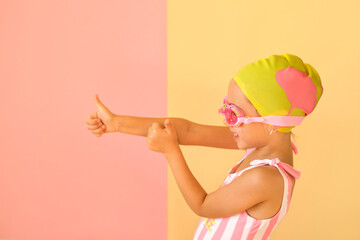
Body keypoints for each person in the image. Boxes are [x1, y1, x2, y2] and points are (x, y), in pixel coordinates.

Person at [85, 53, 323, 239]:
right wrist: (117, 123)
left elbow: (203, 205)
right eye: (225, 109)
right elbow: (188, 131)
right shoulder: (259, 144)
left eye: (234, 114)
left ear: (271, 123)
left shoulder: (264, 178)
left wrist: (171, 152)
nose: (226, 120)